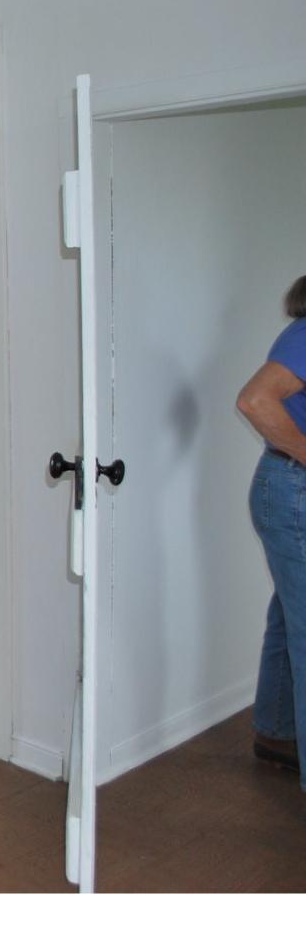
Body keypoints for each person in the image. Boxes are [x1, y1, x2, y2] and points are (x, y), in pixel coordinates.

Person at [236, 274, 306, 791]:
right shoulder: (304, 337)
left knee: (290, 614)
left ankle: (278, 732)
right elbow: (256, 401)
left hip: (289, 488)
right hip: (292, 490)